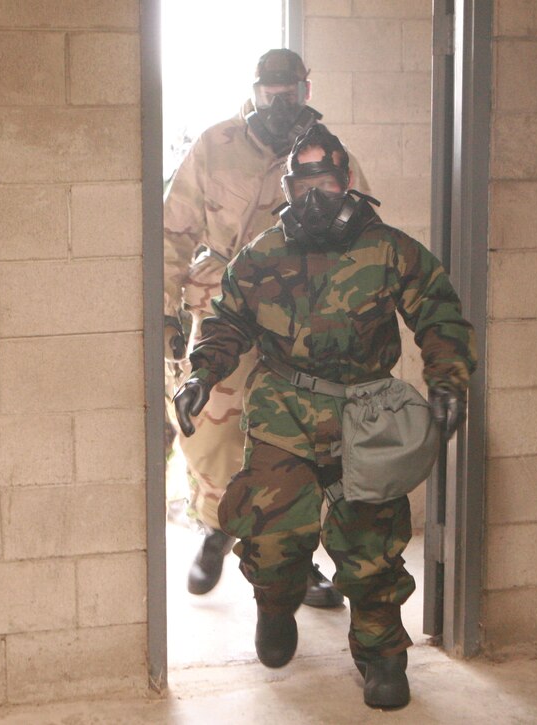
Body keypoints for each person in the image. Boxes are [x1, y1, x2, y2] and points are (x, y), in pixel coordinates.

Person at [172, 124, 477, 709]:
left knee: (371, 544)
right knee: (271, 533)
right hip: (284, 408)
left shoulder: (388, 249)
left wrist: (449, 379)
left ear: (347, 181)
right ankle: (276, 604)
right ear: (287, 187)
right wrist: (201, 373)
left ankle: (382, 653)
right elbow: (227, 321)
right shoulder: (263, 253)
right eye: (303, 179)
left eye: (326, 178)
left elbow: (439, 313)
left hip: (365, 412)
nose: (315, 193)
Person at [164, 49, 369, 606]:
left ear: (307, 89)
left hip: (302, 313)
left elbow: (367, 230)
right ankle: (215, 530)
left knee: (301, 438)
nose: (280, 103)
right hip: (225, 303)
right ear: (254, 90)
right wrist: (162, 308)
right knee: (209, 427)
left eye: (291, 92)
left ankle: (295, 561)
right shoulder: (216, 144)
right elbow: (172, 231)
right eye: (269, 92)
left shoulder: (326, 150)